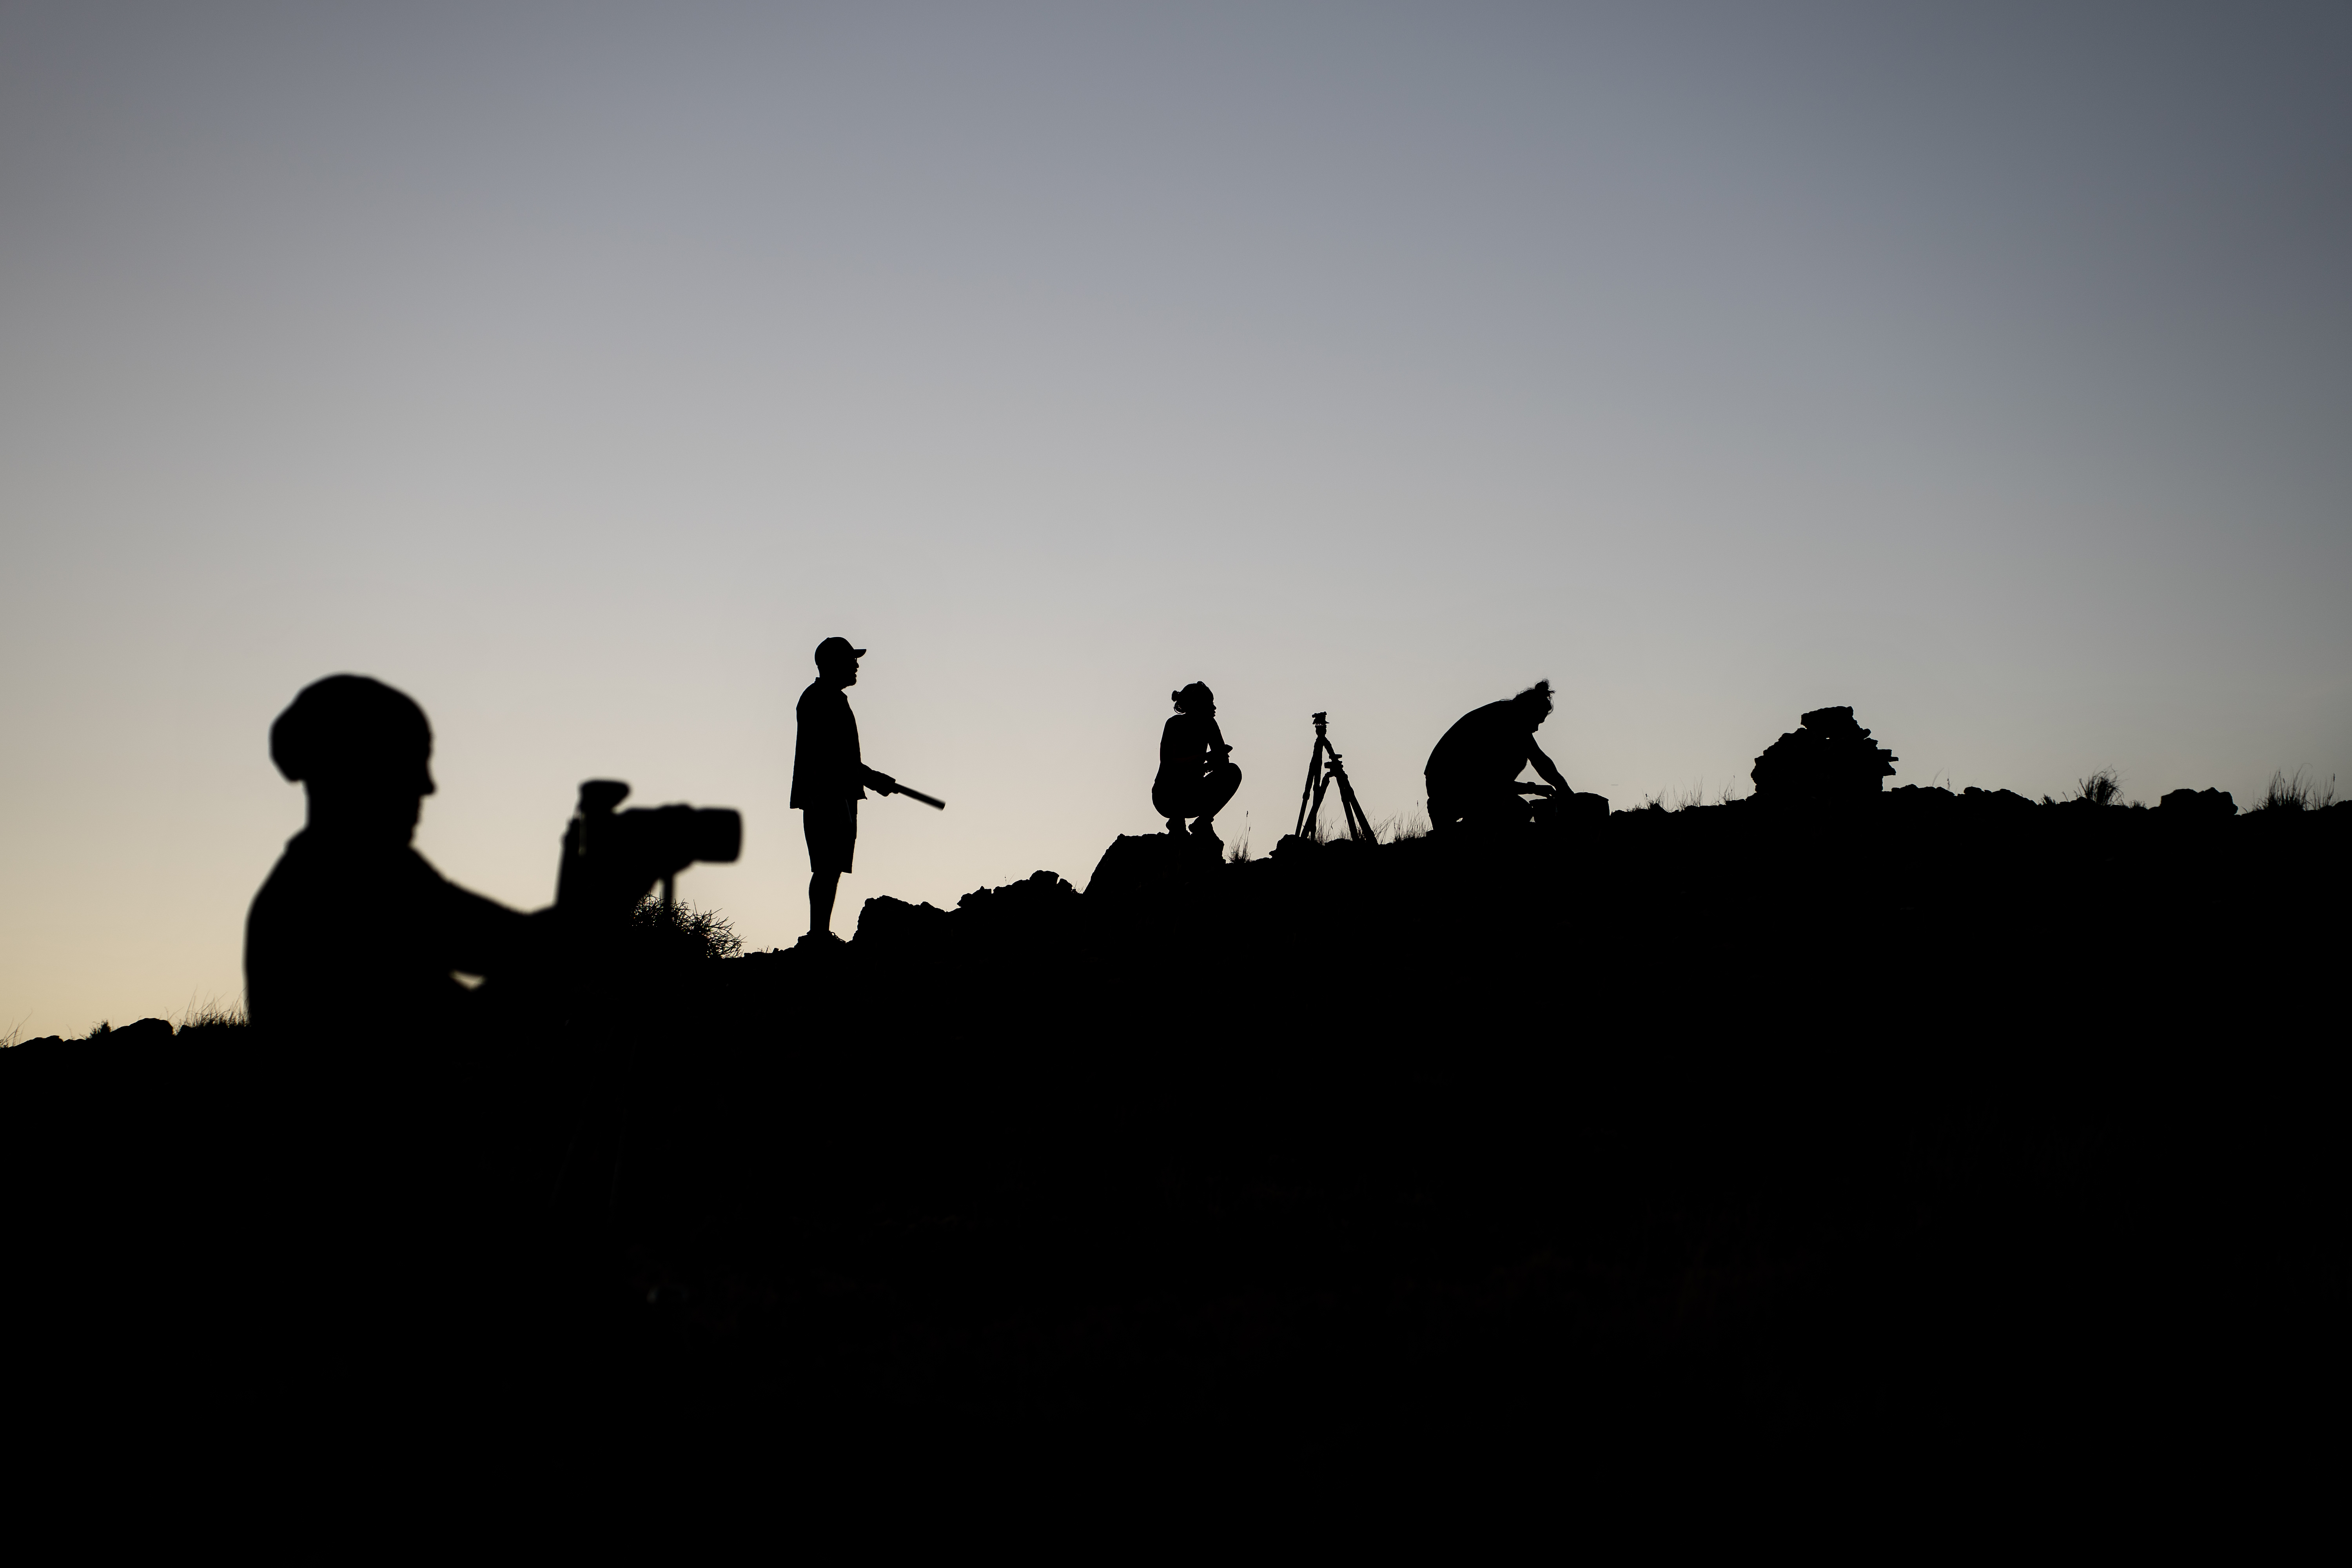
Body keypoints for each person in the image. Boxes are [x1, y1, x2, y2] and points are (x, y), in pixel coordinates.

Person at [245, 674, 545, 1040]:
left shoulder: (362, 870)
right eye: (409, 762)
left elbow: (513, 942)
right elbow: (510, 958)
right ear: (356, 769)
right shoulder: (355, 880)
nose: (428, 786)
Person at [793, 636, 903, 941]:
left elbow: (841, 758)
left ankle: (819, 934)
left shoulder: (828, 698)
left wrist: (870, 778)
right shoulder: (821, 698)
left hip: (834, 793)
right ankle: (818, 936)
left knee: (831, 867)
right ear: (832, 664)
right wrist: (873, 779)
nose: (856, 666)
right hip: (826, 794)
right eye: (851, 660)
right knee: (827, 866)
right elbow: (832, 756)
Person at [1424, 679, 1572, 833]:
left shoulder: (1506, 715)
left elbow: (1494, 779)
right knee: (1519, 811)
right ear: (1529, 711)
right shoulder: (1506, 720)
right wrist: (1559, 790)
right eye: (1537, 722)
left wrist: (1546, 788)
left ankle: (1470, 823)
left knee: (1522, 810)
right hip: (1451, 790)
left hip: (1448, 787)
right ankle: (1473, 824)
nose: (1536, 729)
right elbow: (1493, 780)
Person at [1152, 681, 1242, 845]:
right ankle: (1177, 823)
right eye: (1209, 703)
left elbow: (1223, 764)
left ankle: (1203, 823)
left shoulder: (1210, 725)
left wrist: (1216, 760)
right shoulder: (1174, 724)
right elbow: (1168, 763)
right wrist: (1204, 757)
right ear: (1197, 704)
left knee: (1233, 772)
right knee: (1178, 780)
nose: (1214, 708)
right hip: (1166, 797)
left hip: (1194, 795)